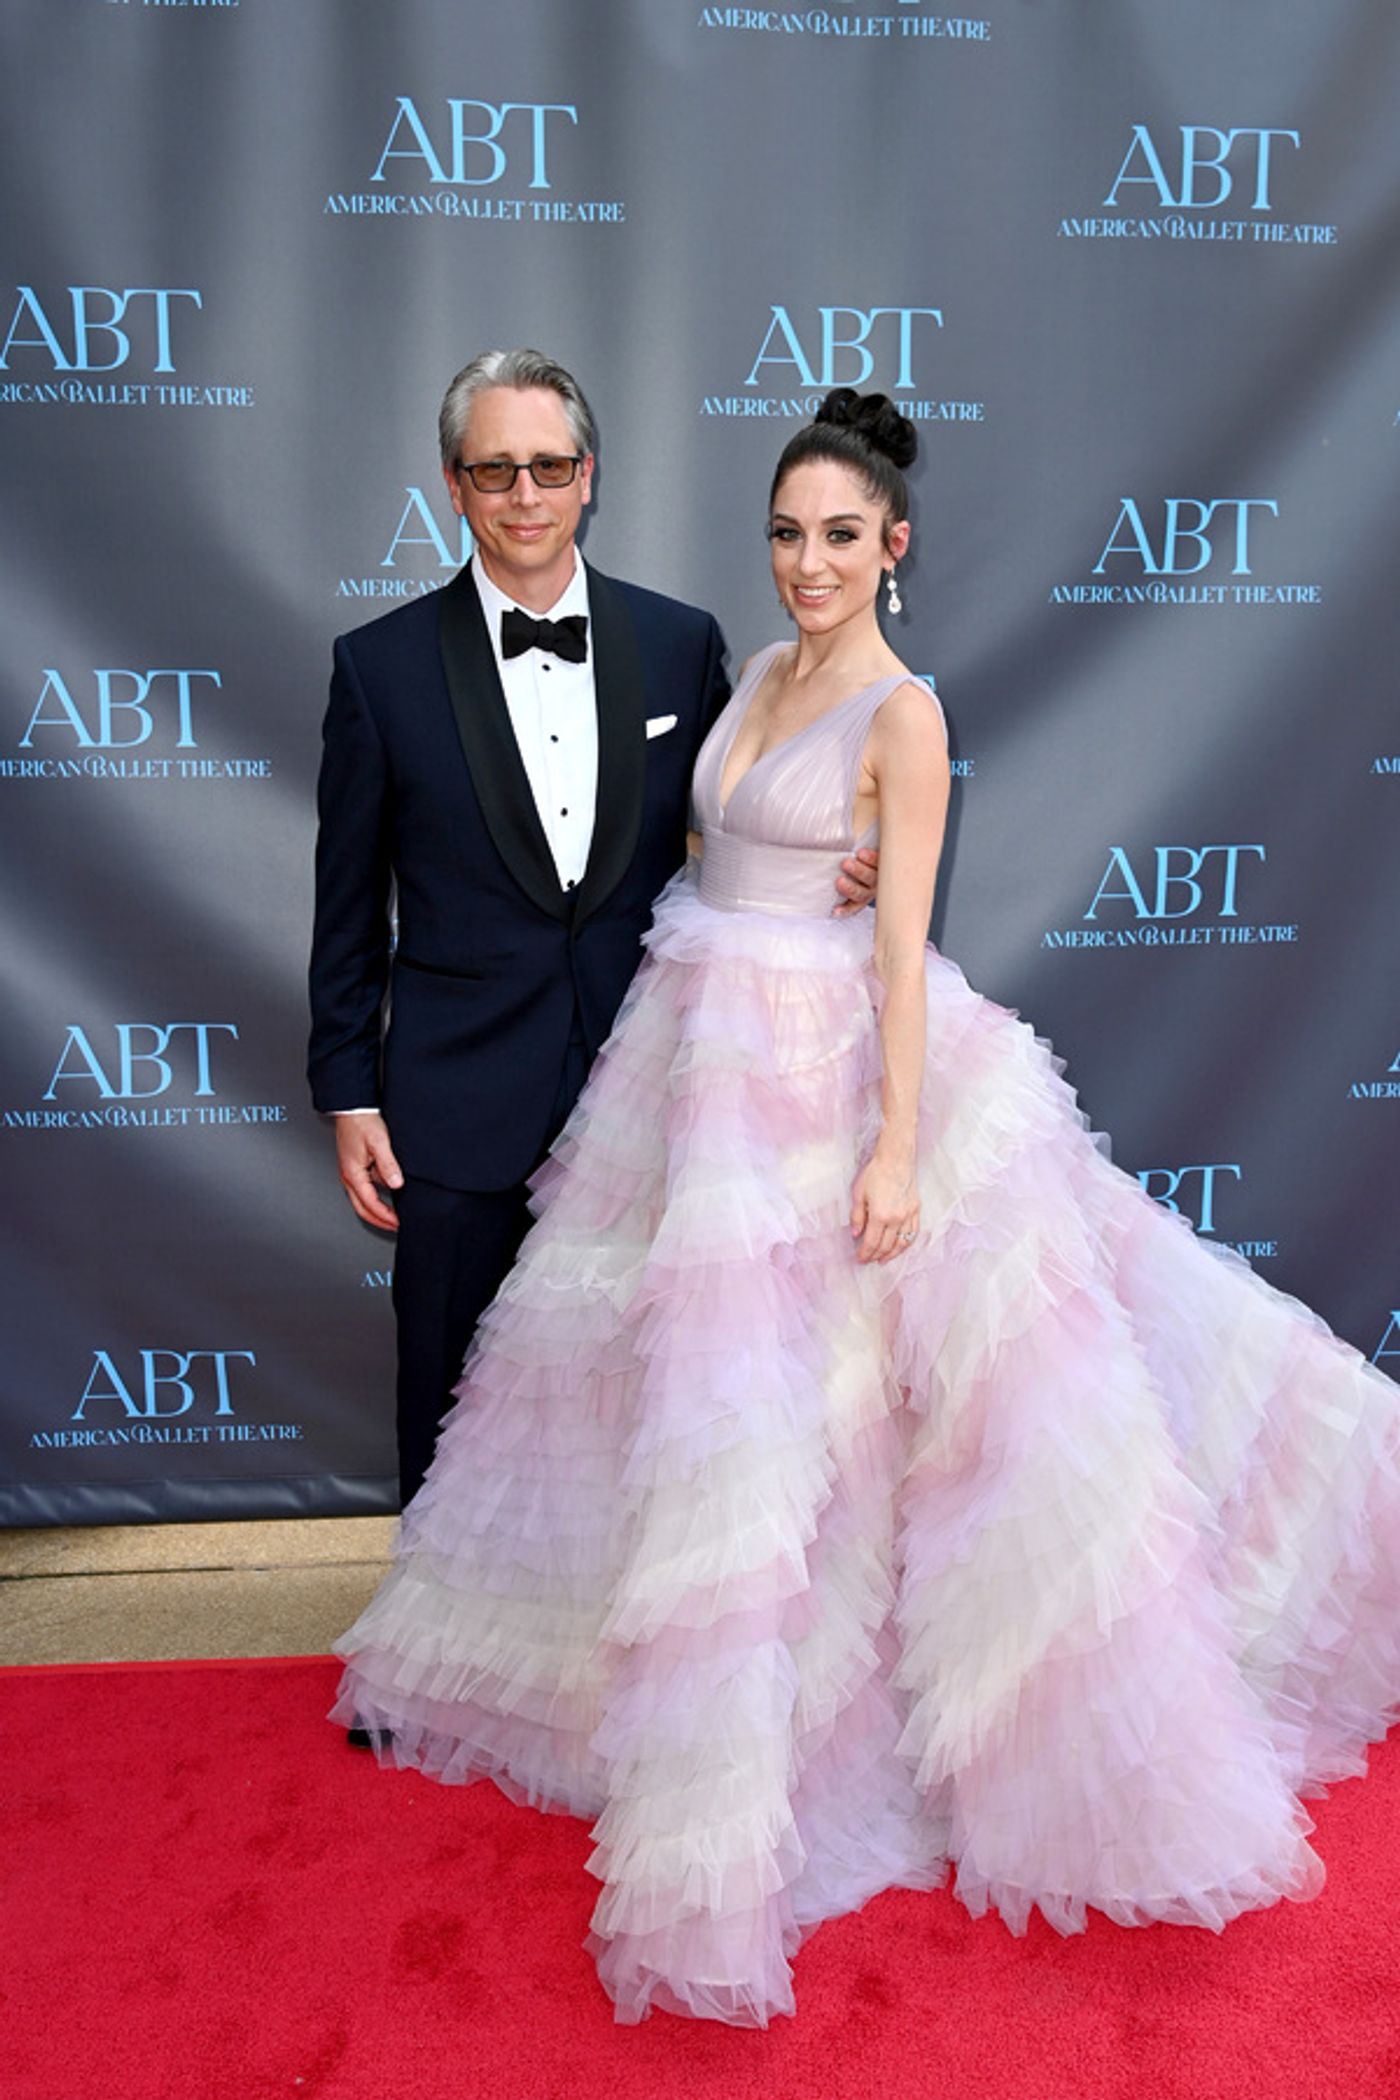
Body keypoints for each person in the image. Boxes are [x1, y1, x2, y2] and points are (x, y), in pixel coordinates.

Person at [332, 390, 1400, 2028]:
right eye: (786, 533)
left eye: (840, 536)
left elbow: (897, 948)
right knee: (712, 1418)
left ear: (894, 546)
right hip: (695, 1062)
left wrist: (898, 1147)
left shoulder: (904, 711)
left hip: (824, 1074)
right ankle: (685, 1718)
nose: (808, 563)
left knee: (834, 1424)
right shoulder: (749, 672)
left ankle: (800, 1755)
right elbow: (691, 851)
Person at [307, 348, 880, 1516]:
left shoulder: (679, 643)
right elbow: (346, 902)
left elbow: (729, 822)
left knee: (641, 1399)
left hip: (656, 1089)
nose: (525, 495)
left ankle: (598, 1681)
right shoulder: (378, 669)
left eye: (548, 466)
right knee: (452, 1396)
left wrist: (842, 864)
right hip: (455, 1100)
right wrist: (347, 1091)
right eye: (495, 470)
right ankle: (435, 1674)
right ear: (453, 484)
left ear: (587, 476)